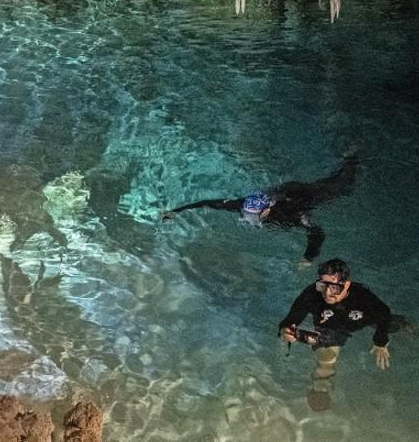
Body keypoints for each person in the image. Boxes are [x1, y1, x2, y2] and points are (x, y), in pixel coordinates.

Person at [160, 153, 357, 262]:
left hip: (302, 195)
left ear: (266, 211)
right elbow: (208, 203)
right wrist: (176, 211)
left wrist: (308, 257)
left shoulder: (291, 214)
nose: (248, 219)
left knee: (342, 186)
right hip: (280, 192)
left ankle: (352, 158)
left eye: (253, 217)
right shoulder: (242, 205)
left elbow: (317, 233)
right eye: (246, 214)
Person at [278, 258, 392, 411]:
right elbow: (290, 320)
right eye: (322, 285)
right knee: (326, 357)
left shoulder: (362, 296)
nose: (327, 292)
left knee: (394, 324)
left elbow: (385, 314)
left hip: (361, 320)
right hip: (330, 329)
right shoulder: (312, 293)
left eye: (334, 287)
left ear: (347, 285)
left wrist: (380, 341)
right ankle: (321, 390)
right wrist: (285, 331)